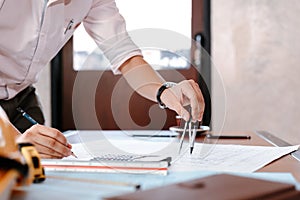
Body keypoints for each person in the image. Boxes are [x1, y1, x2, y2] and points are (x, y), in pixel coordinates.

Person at [0, 0, 204, 158]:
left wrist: (165, 91)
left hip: (22, 98)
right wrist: (12, 140)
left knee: (40, 176)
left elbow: (125, 56)